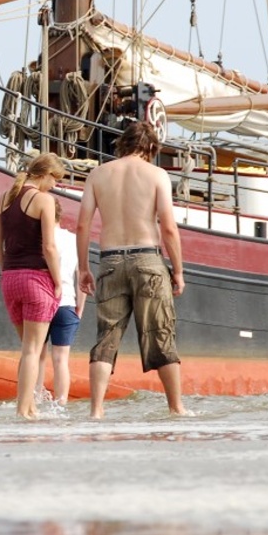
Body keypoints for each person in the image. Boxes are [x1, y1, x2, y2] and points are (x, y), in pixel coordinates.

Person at [76, 121, 189, 417]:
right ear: (151, 147)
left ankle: (96, 411)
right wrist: (177, 270)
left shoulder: (98, 175)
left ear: (123, 145)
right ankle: (176, 408)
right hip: (148, 260)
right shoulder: (157, 175)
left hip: (111, 260)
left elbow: (82, 224)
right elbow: (168, 227)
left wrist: (84, 268)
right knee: (160, 334)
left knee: (106, 338)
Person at [0, 152, 66, 419]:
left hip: (10, 278)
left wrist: (8, 272)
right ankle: (24, 410)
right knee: (34, 350)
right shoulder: (44, 200)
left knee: (29, 350)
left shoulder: (3, 199)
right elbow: (49, 247)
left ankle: (30, 405)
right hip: (37, 279)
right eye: (55, 179)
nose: (55, 186)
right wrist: (58, 281)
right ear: (44, 175)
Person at [36, 200, 85, 405]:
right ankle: (61, 402)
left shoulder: (39, 240)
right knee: (61, 359)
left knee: (37, 354)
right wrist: (79, 309)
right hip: (66, 304)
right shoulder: (73, 240)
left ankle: (35, 396)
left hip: (41, 301)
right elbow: (81, 276)